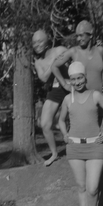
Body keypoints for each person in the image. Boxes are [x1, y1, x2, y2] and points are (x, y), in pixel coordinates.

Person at [58, 61, 103, 206]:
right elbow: (60, 120)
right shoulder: (68, 99)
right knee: (82, 187)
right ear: (70, 80)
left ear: (85, 77)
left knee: (92, 188)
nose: (77, 82)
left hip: (95, 146)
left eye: (80, 78)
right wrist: (65, 134)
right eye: (73, 79)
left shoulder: (96, 95)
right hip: (75, 147)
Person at [51, 20, 103, 125]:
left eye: (81, 35)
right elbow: (54, 66)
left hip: (97, 101)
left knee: (96, 135)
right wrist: (64, 84)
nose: (78, 39)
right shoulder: (73, 52)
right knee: (79, 134)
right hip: (79, 102)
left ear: (90, 35)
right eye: (77, 36)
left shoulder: (100, 51)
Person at [32, 29, 70, 166]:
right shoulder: (38, 62)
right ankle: (54, 153)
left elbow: (76, 58)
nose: (37, 45)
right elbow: (44, 77)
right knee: (45, 124)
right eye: (34, 42)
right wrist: (54, 63)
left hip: (72, 86)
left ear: (47, 40)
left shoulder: (60, 49)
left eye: (39, 41)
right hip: (56, 88)